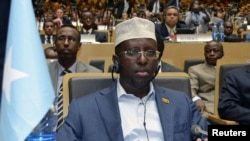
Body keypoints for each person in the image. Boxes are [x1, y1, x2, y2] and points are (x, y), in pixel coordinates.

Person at [57, 17, 208, 141]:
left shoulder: (181, 102)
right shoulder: (83, 109)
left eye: (150, 52)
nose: (143, 60)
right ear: (116, 60)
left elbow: (205, 132)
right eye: (132, 52)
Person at [48, 24, 102, 129]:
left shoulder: (94, 75)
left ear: (79, 46)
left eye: (72, 39)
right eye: (61, 39)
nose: (66, 43)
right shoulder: (43, 74)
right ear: (54, 44)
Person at [188, 41, 224, 115]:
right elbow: (190, 89)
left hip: (231, 105)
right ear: (204, 54)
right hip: (207, 106)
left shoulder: (231, 69)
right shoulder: (195, 70)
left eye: (216, 51)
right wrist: (196, 99)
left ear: (222, 54)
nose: (211, 54)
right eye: (208, 51)